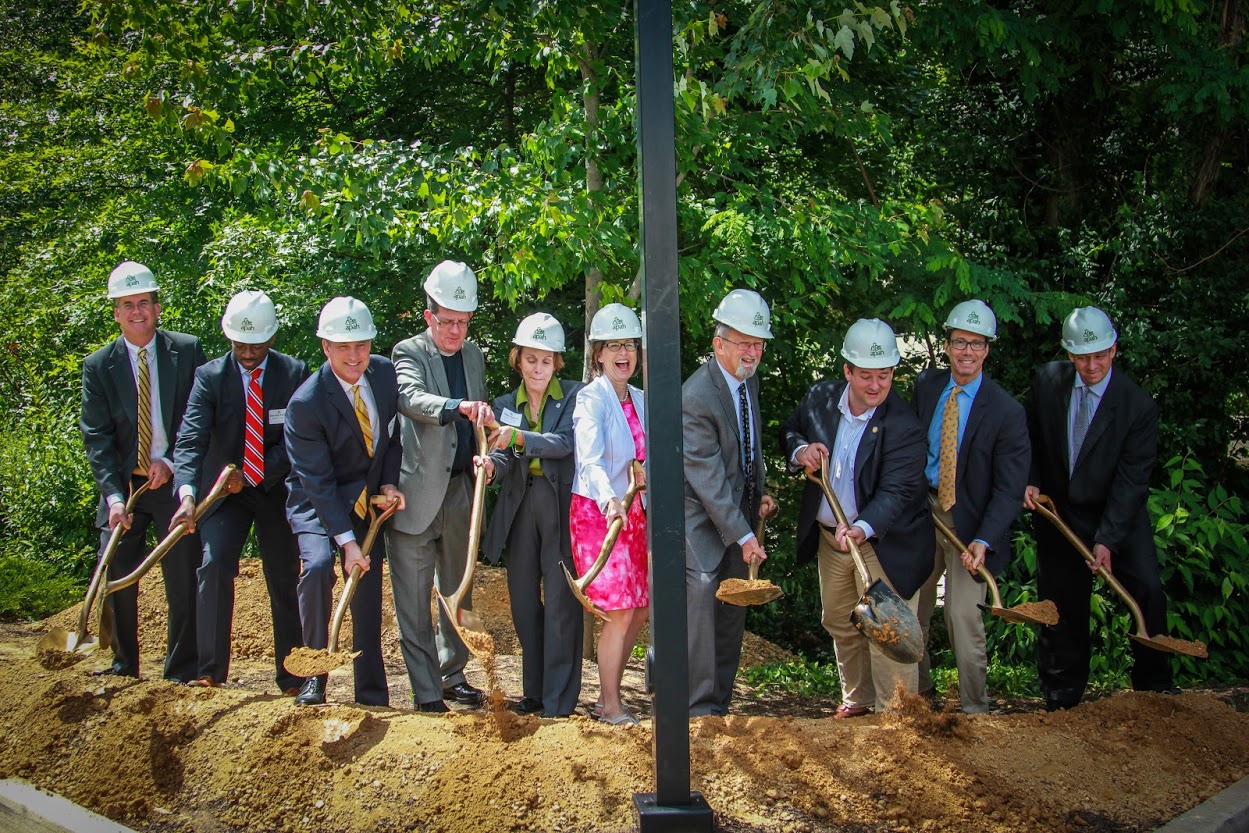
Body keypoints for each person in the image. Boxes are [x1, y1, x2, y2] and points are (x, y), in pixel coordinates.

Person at [1023, 306, 1176, 710]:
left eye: (1100, 355)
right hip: (1059, 512)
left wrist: (1108, 539)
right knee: (1061, 604)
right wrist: (1032, 478)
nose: (1091, 365)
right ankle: (1062, 694)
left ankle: (1154, 688)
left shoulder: (1137, 406)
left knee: (1147, 590)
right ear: (1069, 355)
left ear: (1114, 349)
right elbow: (1031, 439)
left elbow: (1132, 483)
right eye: (1082, 357)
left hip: (1116, 514)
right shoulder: (1046, 382)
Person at [780, 318, 932, 717]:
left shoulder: (904, 426)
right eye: (866, 376)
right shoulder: (820, 398)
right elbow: (791, 429)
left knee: (886, 627)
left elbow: (896, 493)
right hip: (832, 539)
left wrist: (862, 528)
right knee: (840, 621)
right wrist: (800, 452)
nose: (876, 385)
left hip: (885, 542)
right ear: (847, 370)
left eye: (884, 376)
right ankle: (859, 701)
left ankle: (895, 715)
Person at [170, 290, 308, 693]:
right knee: (213, 566)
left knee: (284, 576)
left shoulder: (293, 373)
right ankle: (209, 669)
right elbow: (190, 440)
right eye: (240, 344)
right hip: (221, 494)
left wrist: (255, 473)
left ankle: (292, 674)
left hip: (273, 488)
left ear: (273, 338)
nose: (248, 353)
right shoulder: (209, 377)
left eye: (257, 344)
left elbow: (299, 441)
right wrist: (188, 494)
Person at [80, 260, 208, 681]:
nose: (137, 312)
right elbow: (97, 437)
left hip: (175, 482)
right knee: (116, 573)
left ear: (157, 308)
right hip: (124, 485)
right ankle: (123, 665)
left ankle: (180, 670)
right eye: (127, 305)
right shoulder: (99, 366)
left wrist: (171, 461)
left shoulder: (186, 351)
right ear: (115, 312)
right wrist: (115, 497)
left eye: (144, 303)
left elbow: (198, 416)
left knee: (183, 576)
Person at [284, 297, 404, 706]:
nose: (355, 356)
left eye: (362, 345)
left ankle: (371, 692)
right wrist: (347, 544)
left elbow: (391, 438)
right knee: (318, 568)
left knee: (367, 591)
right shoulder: (306, 403)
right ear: (325, 348)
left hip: (365, 501)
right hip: (319, 503)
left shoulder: (384, 374)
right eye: (344, 347)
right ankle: (315, 673)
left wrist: (388, 484)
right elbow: (316, 481)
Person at [387, 261, 495, 712]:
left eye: (463, 322)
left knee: (458, 588)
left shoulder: (473, 356)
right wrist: (456, 405)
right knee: (413, 601)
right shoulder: (406, 352)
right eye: (447, 321)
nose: (456, 331)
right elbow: (409, 398)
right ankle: (427, 691)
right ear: (428, 315)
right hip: (414, 495)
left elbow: (477, 425)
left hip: (460, 493)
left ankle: (452, 674)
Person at [913, 300, 1030, 713]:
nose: (967, 351)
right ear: (946, 345)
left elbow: (1010, 487)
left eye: (976, 344)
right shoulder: (925, 388)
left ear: (987, 350)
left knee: (962, 617)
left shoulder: (1006, 411)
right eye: (959, 341)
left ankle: (975, 710)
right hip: (922, 514)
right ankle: (920, 697)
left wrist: (984, 538)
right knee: (912, 608)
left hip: (970, 525)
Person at [483, 313, 585, 718]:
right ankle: (535, 692)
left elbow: (566, 443)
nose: (538, 368)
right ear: (518, 360)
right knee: (524, 602)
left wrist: (521, 437)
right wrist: (490, 465)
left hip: (561, 507)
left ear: (557, 362)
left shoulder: (577, 396)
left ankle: (559, 701)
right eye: (530, 359)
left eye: (546, 361)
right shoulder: (505, 405)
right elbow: (504, 455)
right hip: (519, 508)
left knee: (562, 603)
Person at [683, 289, 777, 717]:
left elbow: (747, 449)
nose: (753, 352)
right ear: (719, 343)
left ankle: (719, 705)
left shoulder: (746, 382)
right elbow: (707, 476)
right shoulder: (696, 396)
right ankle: (699, 712)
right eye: (744, 343)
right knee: (702, 619)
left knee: (731, 618)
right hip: (702, 524)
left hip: (737, 519)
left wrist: (759, 492)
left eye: (758, 344)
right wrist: (741, 533)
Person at [571, 303, 648, 726]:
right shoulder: (590, 399)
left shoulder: (639, 398)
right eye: (615, 345)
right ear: (598, 353)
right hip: (599, 515)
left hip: (634, 514)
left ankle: (608, 697)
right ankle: (611, 704)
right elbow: (590, 462)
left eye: (630, 345)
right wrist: (609, 499)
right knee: (619, 611)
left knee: (639, 608)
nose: (624, 353)